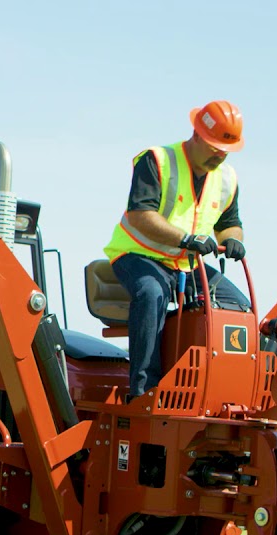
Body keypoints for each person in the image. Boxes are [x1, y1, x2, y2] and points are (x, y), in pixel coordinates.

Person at [103, 100, 251, 398]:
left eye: (226, 152)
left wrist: (234, 239)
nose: (220, 157)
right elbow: (140, 215)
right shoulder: (157, 161)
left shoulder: (226, 179)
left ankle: (213, 388)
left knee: (238, 306)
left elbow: (230, 223)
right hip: (138, 255)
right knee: (151, 294)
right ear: (196, 135)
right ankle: (144, 391)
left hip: (185, 264)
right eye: (214, 149)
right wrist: (185, 239)